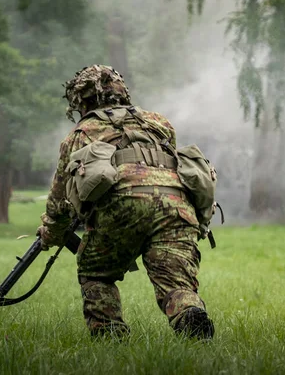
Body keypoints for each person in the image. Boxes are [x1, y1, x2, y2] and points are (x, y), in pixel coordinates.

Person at [36, 65, 214, 340]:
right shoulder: (159, 122)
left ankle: (111, 338)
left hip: (122, 206)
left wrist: (50, 234)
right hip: (177, 207)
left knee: (97, 273)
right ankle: (189, 314)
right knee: (175, 282)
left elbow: (59, 203)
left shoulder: (81, 133)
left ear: (81, 101)